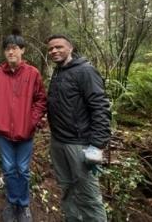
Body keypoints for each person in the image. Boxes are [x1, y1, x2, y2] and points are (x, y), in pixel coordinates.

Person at [46, 34, 111, 222]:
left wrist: (97, 145)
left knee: (88, 196)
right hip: (58, 142)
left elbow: (100, 106)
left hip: (80, 144)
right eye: (50, 49)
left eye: (59, 47)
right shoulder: (58, 72)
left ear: (70, 48)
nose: (54, 51)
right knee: (67, 189)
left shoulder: (85, 71)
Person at [0, 33, 47, 222]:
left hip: (25, 132)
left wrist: (32, 121)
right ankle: (11, 202)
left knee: (22, 169)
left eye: (14, 48)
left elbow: (40, 100)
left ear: (22, 50)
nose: (11, 51)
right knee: (8, 168)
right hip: (3, 132)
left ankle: (23, 205)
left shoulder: (32, 73)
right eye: (7, 48)